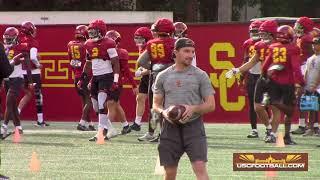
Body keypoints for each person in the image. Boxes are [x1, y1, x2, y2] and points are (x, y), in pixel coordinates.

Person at [153, 38, 215, 180]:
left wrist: (192, 109)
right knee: (169, 173)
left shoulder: (200, 75)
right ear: (176, 52)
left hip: (194, 128)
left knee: (200, 168)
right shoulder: (163, 76)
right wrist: (165, 112)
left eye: (192, 51)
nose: (190, 55)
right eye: (186, 51)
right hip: (170, 128)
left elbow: (211, 105)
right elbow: (156, 105)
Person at [261, 25, 304, 144]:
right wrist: (301, 81)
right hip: (287, 83)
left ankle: (273, 102)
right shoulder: (293, 48)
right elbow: (296, 67)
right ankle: (286, 137)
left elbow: (265, 65)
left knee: (280, 109)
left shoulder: (273, 47)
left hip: (273, 81)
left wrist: (264, 76)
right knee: (289, 111)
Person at [79, 19, 120, 141]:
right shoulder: (88, 44)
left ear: (101, 31)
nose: (91, 34)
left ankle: (100, 132)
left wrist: (116, 80)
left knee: (102, 103)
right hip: (96, 77)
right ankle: (110, 129)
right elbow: (88, 63)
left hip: (106, 76)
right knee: (96, 106)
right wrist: (83, 77)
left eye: (94, 31)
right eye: (90, 31)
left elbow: (116, 63)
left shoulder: (109, 43)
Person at [137, 18, 176, 142]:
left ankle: (151, 132)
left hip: (155, 77)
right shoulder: (175, 42)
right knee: (168, 106)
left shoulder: (151, 43)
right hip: (171, 77)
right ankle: (165, 134)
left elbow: (140, 61)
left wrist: (153, 68)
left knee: (154, 107)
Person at [1, 27, 33, 139]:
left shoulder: (21, 48)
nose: (8, 41)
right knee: (13, 105)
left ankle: (3, 128)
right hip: (7, 80)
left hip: (16, 79)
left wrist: (29, 81)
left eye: (10, 39)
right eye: (7, 39)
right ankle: (18, 127)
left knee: (9, 103)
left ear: (16, 38)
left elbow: (28, 64)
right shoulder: (3, 48)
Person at [105, 30, 138, 135]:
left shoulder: (121, 53)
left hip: (116, 83)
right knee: (116, 104)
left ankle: (106, 129)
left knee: (111, 104)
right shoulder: (103, 51)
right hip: (105, 81)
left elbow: (127, 71)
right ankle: (126, 126)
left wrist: (134, 85)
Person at [18, 21, 49, 127]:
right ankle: (40, 120)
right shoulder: (33, 41)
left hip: (22, 72)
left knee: (28, 94)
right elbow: (32, 57)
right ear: (30, 30)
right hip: (33, 73)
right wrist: (38, 64)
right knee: (38, 95)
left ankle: (17, 112)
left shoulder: (20, 41)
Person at [67, 25, 95, 131]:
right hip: (86, 75)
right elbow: (89, 62)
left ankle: (90, 123)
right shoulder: (87, 45)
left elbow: (71, 62)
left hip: (77, 75)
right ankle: (82, 123)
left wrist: (76, 72)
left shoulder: (70, 44)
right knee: (90, 100)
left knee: (84, 100)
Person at [291, 17, 315, 134]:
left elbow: (313, 53)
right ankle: (308, 125)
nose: (296, 27)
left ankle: (309, 125)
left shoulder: (307, 38)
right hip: (304, 67)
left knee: (306, 97)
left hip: (307, 67)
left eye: (298, 25)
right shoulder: (302, 38)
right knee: (304, 97)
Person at [242, 20, 263, 138]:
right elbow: (246, 59)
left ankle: (268, 128)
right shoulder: (247, 43)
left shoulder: (265, 44)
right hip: (251, 74)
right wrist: (242, 75)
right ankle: (254, 129)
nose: (253, 33)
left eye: (256, 31)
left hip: (263, 75)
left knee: (265, 103)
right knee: (251, 103)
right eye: (252, 31)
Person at [130, 27, 153, 131]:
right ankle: (137, 123)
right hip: (145, 77)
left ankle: (155, 126)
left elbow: (154, 67)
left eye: (140, 38)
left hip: (153, 76)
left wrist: (142, 71)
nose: (138, 40)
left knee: (155, 102)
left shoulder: (151, 47)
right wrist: (141, 70)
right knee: (140, 98)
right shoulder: (142, 47)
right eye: (137, 38)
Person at [301, 36, 320, 136]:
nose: (314, 45)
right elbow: (307, 72)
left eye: (316, 43)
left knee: (316, 107)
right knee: (311, 107)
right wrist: (305, 83)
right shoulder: (310, 58)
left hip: (317, 87)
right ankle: (311, 128)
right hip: (309, 86)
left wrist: (316, 85)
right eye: (313, 43)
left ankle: (315, 128)